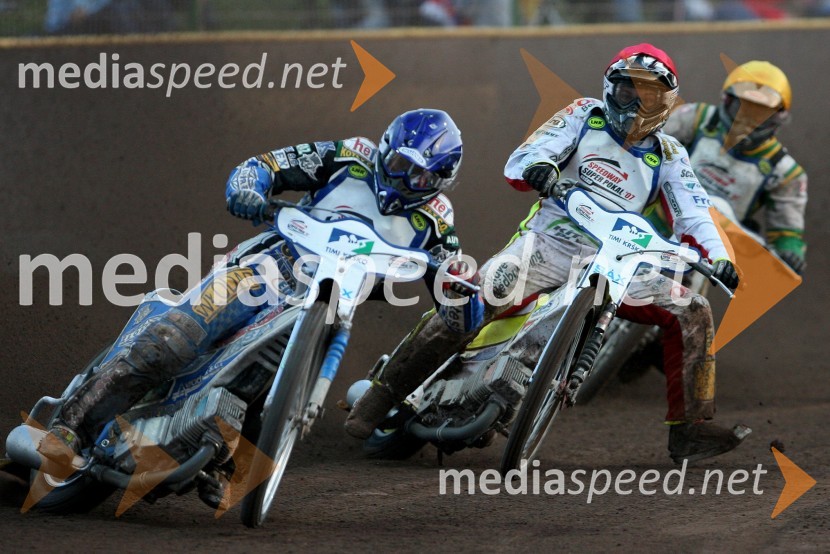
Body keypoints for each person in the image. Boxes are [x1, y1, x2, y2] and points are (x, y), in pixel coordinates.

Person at [37, 109, 483, 504]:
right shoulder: (350, 155)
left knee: (263, 392)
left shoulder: (437, 223)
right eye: (402, 165)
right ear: (386, 149)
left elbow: (457, 310)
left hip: (331, 304)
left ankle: (217, 455)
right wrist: (249, 189)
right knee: (171, 342)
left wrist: (464, 293)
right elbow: (266, 165)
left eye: (422, 176)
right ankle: (70, 427)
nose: (407, 180)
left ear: (441, 181)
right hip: (268, 266)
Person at [346, 44, 750, 464]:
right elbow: (526, 155)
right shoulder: (583, 114)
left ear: (664, 102)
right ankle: (380, 396)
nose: (634, 105)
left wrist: (721, 258)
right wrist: (540, 167)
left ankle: (691, 429)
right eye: (626, 92)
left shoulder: (670, 154)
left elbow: (695, 214)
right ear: (609, 89)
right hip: (546, 244)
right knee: (469, 299)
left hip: (619, 261)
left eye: (646, 96)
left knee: (693, 309)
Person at [661, 60, 807, 274]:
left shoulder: (786, 172)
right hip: (658, 216)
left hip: (715, 249)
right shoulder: (695, 118)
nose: (748, 120)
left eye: (760, 114)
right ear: (726, 101)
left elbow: (787, 233)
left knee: (684, 303)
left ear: (778, 117)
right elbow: (649, 148)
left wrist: (790, 253)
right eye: (743, 108)